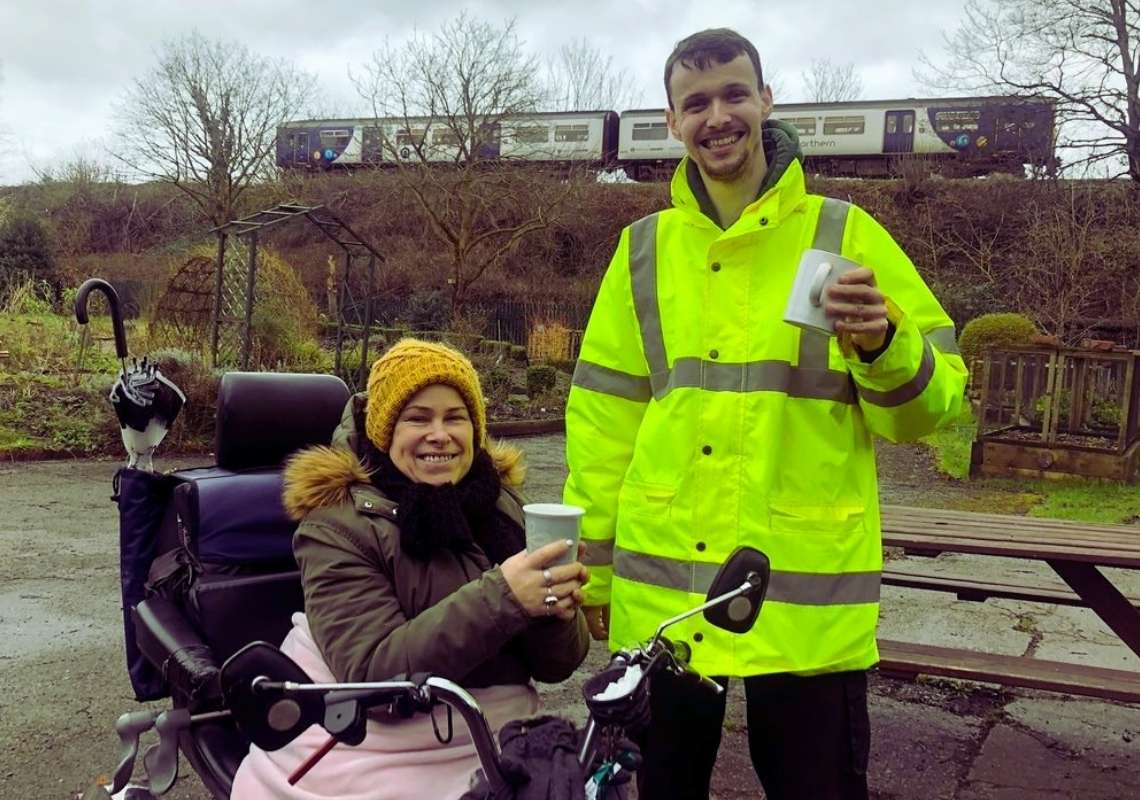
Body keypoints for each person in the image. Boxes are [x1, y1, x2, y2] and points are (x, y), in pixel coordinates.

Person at [564, 28, 968, 800]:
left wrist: (881, 343)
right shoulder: (642, 250)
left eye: (734, 93)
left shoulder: (844, 235)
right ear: (673, 121)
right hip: (667, 605)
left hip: (807, 604)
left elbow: (930, 410)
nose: (718, 116)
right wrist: (598, 580)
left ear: (766, 100)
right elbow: (603, 423)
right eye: (697, 102)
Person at [233, 338, 590, 800]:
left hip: (493, 734)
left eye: (455, 417)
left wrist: (555, 609)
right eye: (418, 418)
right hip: (364, 747)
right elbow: (371, 680)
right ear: (385, 431)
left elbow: (559, 666)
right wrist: (505, 596)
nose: (439, 435)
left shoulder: (501, 506)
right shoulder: (336, 524)